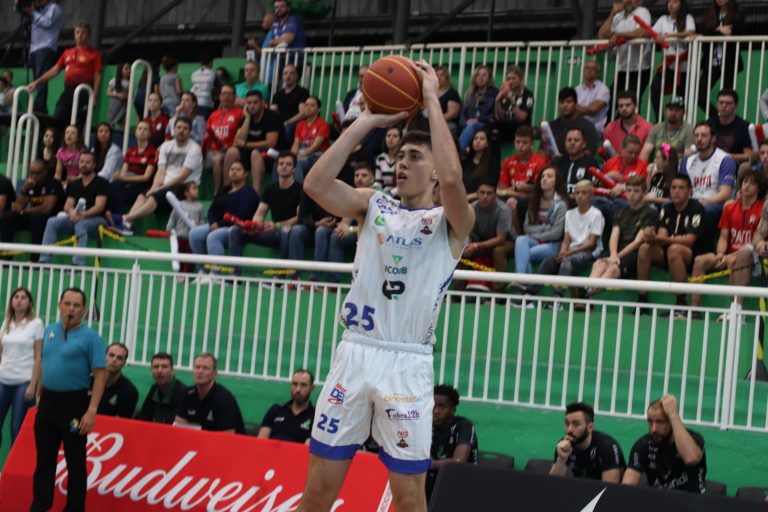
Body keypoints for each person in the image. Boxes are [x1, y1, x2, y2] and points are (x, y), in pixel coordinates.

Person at [296, 60, 474, 512]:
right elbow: (315, 184)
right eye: (399, 157)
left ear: (434, 172)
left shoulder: (450, 222)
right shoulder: (373, 205)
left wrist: (431, 98)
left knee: (410, 500)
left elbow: (454, 178)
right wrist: (367, 121)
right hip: (354, 353)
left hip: (406, 366)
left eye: (415, 157)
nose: (402, 163)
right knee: (315, 495)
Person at [31, 287, 106, 512]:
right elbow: (44, 362)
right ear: (59, 305)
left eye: (76, 305)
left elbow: (100, 375)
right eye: (67, 304)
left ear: (84, 309)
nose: (71, 309)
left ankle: (74, 508)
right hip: (47, 405)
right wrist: (39, 393)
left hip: (73, 408)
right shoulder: (50, 330)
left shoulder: (91, 338)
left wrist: (91, 410)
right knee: (44, 461)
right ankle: (40, 506)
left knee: (75, 462)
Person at [690, 169, 766, 313]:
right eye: (745, 182)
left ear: (759, 188)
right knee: (700, 261)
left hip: (751, 257)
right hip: (729, 254)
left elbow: (755, 243)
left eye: (752, 183)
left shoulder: (762, 209)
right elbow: (724, 237)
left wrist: (729, 257)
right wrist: (720, 254)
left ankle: (734, 310)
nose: (747, 186)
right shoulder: (730, 207)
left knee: (735, 260)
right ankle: (694, 310)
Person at [636, 174, 707, 316]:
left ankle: (681, 303)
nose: (676, 191)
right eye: (673, 187)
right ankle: (642, 302)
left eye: (681, 188)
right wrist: (651, 237)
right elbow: (662, 235)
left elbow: (690, 240)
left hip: (692, 256)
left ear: (690, 191)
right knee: (644, 249)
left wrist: (663, 239)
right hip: (669, 253)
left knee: (674, 250)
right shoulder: (666, 208)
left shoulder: (696, 208)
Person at [120, 117, 203, 233]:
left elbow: (182, 176)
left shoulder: (195, 149)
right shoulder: (166, 146)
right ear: (174, 129)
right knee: (142, 196)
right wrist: (154, 188)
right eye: (179, 127)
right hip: (165, 185)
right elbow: (160, 171)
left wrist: (159, 189)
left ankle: (126, 218)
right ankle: (127, 225)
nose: (181, 131)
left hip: (185, 187)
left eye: (185, 128)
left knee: (154, 197)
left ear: (190, 132)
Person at [523, 180, 604, 299]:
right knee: (549, 261)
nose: (579, 196)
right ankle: (529, 292)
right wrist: (562, 252)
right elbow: (566, 240)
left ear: (591, 195)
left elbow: (591, 243)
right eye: (577, 193)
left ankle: (558, 296)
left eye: (584, 193)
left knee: (567, 261)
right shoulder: (569, 214)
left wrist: (569, 253)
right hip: (571, 250)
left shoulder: (597, 214)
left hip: (590, 252)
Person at [228, 152, 301, 272]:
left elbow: (300, 217)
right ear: (276, 167)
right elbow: (260, 213)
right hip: (272, 231)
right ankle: (233, 276)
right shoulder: (270, 188)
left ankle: (279, 277)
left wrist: (278, 225)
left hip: (288, 231)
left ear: (294, 169)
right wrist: (255, 226)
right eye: (281, 164)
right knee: (235, 231)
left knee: (284, 232)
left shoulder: (300, 189)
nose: (284, 166)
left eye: (288, 164)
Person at [587, 175, 657, 296]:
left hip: (634, 253)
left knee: (613, 269)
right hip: (617, 250)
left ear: (644, 192)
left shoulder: (650, 213)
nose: (632, 194)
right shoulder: (621, 212)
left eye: (636, 191)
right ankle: (586, 290)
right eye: (629, 190)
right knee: (598, 264)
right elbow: (614, 236)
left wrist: (617, 257)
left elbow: (638, 241)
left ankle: (587, 293)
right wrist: (613, 254)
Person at [189, 161, 259, 281]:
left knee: (213, 237)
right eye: (232, 169)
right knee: (194, 234)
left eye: (238, 169)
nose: (234, 172)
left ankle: (216, 275)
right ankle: (203, 270)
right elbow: (212, 210)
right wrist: (212, 223)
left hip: (237, 228)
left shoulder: (249, 193)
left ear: (245, 174)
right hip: (217, 225)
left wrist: (219, 225)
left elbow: (243, 215)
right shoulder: (224, 190)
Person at [622, 394, 706, 492]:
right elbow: (626, 487)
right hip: (659, 500)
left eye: (660, 422)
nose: (653, 429)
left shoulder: (693, 438)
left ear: (671, 422)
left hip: (692, 499)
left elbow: (691, 458)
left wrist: (673, 414)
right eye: (650, 421)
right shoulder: (643, 445)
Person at [27, 21, 102, 131]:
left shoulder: (94, 54)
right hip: (68, 91)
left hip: (84, 92)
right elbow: (54, 70)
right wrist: (36, 82)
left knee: (78, 124)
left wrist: (94, 97)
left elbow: (98, 75)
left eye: (83, 32)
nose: (80, 35)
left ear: (88, 35)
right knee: (57, 119)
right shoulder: (67, 52)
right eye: (77, 32)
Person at [40, 151, 109, 266]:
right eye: (81, 162)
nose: (84, 164)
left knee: (81, 225)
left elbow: (99, 207)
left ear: (94, 165)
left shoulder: (102, 183)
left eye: (88, 162)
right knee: (52, 222)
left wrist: (81, 215)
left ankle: (78, 263)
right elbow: (67, 205)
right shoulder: (74, 184)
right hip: (76, 218)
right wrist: (72, 212)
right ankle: (44, 260)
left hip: (97, 221)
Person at [315, 163, 375, 283]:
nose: (359, 178)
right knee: (336, 235)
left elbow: (377, 228)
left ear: (373, 178)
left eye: (364, 175)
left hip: (376, 238)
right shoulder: (353, 194)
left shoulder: (379, 197)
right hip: (357, 234)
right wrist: (343, 227)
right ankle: (332, 283)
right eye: (357, 175)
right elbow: (345, 222)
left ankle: (360, 280)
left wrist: (351, 229)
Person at [0, 288, 42, 449]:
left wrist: (33, 385)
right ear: (11, 301)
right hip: (3, 380)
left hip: (23, 382)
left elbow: (38, 356)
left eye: (23, 297)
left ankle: (14, 464)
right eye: (16, 297)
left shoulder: (36, 324)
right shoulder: (6, 323)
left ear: (29, 303)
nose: (19, 300)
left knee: (16, 428)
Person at [0, 160, 64, 259]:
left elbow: (47, 208)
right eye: (31, 173)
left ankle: (34, 259)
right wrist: (24, 189)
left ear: (45, 172)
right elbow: (18, 205)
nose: (33, 176)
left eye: (37, 173)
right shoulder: (30, 184)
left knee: (36, 219)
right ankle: (6, 256)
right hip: (34, 216)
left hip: (52, 217)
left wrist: (23, 211)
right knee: (7, 217)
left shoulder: (52, 183)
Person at [225, 89, 285, 192]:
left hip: (275, 153)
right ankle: (228, 190)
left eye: (255, 102)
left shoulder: (272, 117)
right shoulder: (245, 118)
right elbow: (237, 142)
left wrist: (246, 144)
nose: (252, 106)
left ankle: (255, 192)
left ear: (262, 103)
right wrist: (247, 118)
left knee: (255, 153)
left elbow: (271, 143)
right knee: (232, 152)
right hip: (254, 151)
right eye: (249, 103)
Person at [680, 121, 736, 231]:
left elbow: (725, 194)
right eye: (696, 136)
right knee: (667, 206)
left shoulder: (725, 160)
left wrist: (701, 203)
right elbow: (682, 188)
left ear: (713, 138)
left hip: (713, 203)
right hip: (691, 201)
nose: (699, 139)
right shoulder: (687, 161)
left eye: (704, 135)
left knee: (705, 210)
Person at [549, 402, 625, 482]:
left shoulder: (607, 447)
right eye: (567, 424)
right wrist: (562, 459)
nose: (569, 429)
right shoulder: (564, 445)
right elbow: (552, 484)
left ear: (590, 427)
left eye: (576, 424)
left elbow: (609, 488)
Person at [513, 167, 568, 277]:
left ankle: (520, 280)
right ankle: (522, 281)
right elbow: (526, 228)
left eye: (549, 176)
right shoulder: (533, 201)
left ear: (556, 181)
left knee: (523, 254)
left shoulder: (561, 205)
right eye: (542, 176)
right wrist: (545, 227)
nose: (544, 179)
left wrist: (536, 233)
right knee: (521, 239)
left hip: (553, 244)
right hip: (536, 241)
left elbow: (556, 233)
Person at [427, 385, 478, 501]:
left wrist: (425, 464)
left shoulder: (464, 426)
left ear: (453, 409)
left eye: (442, 406)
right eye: (432, 406)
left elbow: (458, 462)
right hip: (431, 483)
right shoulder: (425, 424)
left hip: (462, 485)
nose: (436, 411)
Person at [461, 178, 514, 289]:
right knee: (462, 250)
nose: (485, 196)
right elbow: (467, 233)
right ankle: (458, 290)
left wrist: (476, 245)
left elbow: (501, 239)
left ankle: (497, 291)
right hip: (482, 241)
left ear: (495, 195)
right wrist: (468, 245)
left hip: (508, 242)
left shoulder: (503, 210)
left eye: (489, 193)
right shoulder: (472, 208)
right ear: (477, 194)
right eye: (482, 193)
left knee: (498, 251)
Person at [597, 0, 652, 104]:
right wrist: (612, 13)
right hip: (622, 68)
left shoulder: (642, 11)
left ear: (639, 1)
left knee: (631, 103)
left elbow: (642, 31)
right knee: (610, 103)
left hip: (639, 69)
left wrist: (620, 35)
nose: (628, 0)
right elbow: (602, 35)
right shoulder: (618, 16)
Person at [648, 0, 696, 120]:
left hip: (684, 66)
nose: (671, 4)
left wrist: (669, 36)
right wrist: (655, 37)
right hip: (668, 64)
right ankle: (660, 120)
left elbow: (690, 32)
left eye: (675, 1)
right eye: (669, 1)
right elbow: (652, 33)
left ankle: (682, 122)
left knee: (682, 97)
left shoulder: (687, 18)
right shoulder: (663, 19)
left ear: (681, 4)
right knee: (655, 88)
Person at [174, 352, 245, 433]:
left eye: (205, 368)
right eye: (197, 367)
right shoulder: (187, 394)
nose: (200, 371)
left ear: (214, 374)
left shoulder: (224, 399)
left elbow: (228, 436)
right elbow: (178, 428)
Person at [498, 125, 549, 236]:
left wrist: (520, 189)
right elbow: (501, 190)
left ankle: (520, 236)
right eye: (518, 142)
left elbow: (540, 190)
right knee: (500, 200)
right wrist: (518, 190)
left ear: (532, 144)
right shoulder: (507, 162)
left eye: (525, 143)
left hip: (533, 198)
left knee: (512, 202)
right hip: (513, 196)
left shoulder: (540, 162)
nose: (520, 146)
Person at [697, 0, 745, 117]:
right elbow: (702, 32)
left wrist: (712, 32)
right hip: (711, 63)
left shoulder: (737, 13)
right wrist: (719, 30)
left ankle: (726, 120)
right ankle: (718, 118)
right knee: (699, 95)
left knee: (727, 98)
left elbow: (732, 32)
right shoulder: (710, 14)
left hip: (729, 63)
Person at [108, 120, 158, 220]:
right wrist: (121, 176)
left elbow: (146, 177)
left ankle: (119, 218)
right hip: (128, 182)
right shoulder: (130, 151)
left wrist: (124, 178)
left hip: (142, 185)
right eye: (139, 129)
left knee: (117, 189)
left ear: (149, 134)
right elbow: (124, 172)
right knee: (112, 186)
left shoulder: (152, 151)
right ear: (135, 132)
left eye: (145, 129)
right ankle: (114, 218)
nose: (142, 131)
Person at [19, 0, 62, 114]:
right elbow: (20, 10)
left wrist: (33, 12)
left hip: (45, 46)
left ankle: (39, 107)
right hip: (34, 48)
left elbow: (47, 22)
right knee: (36, 79)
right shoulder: (37, 9)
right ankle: (40, 107)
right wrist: (18, 4)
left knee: (41, 77)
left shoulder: (54, 7)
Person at [202, 84, 245, 193]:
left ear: (235, 97)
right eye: (224, 94)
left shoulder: (240, 113)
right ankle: (218, 191)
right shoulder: (213, 115)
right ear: (220, 97)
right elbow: (207, 135)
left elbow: (242, 135)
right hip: (212, 151)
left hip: (230, 150)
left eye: (230, 94)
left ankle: (221, 191)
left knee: (218, 159)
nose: (226, 97)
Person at [258, 369, 315, 443]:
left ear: (312, 388)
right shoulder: (275, 410)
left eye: (303, 385)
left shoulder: (315, 417)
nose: (298, 389)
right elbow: (260, 442)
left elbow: (308, 448)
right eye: (294, 384)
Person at [545, 87, 599, 157]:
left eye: (569, 101)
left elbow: (590, 153)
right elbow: (542, 151)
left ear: (576, 104)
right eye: (561, 102)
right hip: (553, 162)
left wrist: (565, 159)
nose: (565, 105)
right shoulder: (551, 126)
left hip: (577, 162)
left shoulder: (588, 126)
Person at [135, 352, 187, 424]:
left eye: (164, 367)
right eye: (156, 367)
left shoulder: (183, 393)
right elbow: (143, 416)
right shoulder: (154, 388)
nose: (159, 371)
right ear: (151, 371)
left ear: (173, 371)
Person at [639, 96, 694, 162]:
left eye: (677, 110)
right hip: (657, 164)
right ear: (666, 111)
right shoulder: (657, 128)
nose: (673, 113)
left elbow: (687, 158)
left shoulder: (689, 130)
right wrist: (641, 167)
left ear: (683, 112)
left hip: (678, 166)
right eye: (670, 109)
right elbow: (646, 151)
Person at [490, 65, 534, 145]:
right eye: (508, 79)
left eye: (513, 78)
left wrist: (511, 100)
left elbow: (521, 118)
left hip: (521, 127)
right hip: (506, 126)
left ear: (520, 79)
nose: (510, 81)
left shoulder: (527, 94)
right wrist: (497, 100)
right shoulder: (505, 94)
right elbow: (499, 116)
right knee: (490, 126)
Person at [458, 65, 498, 151]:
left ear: (489, 78)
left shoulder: (494, 94)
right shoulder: (469, 94)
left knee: (471, 126)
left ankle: (457, 152)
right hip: (468, 125)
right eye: (478, 75)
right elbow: (462, 114)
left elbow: (494, 115)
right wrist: (466, 122)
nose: (480, 78)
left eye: (484, 75)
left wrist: (478, 120)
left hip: (485, 124)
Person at [707, 88, 752, 164]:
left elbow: (748, 155)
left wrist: (725, 156)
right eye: (721, 102)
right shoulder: (709, 124)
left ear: (736, 105)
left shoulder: (744, 127)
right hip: (710, 162)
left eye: (728, 103)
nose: (724, 105)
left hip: (733, 163)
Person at [291, 95, 330, 181]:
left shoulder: (323, 124)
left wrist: (301, 156)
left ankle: (298, 188)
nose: (308, 107)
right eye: (306, 105)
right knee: (280, 163)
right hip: (302, 152)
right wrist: (291, 157)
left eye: (312, 105)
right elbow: (296, 143)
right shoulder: (300, 124)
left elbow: (315, 146)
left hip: (317, 154)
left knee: (298, 163)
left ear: (318, 109)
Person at [270, 63, 310, 142]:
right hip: (280, 122)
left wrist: (287, 122)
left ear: (296, 76)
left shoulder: (302, 92)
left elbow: (302, 113)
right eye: (285, 73)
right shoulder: (278, 94)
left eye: (291, 73)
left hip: (295, 123)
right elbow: (272, 111)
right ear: (282, 76)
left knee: (287, 128)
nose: (288, 76)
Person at [97, 343, 139, 418]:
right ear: (104, 357)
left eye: (119, 358)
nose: (114, 360)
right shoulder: (88, 381)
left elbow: (119, 422)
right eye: (111, 355)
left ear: (124, 363)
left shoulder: (129, 391)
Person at [556, 127, 599, 197]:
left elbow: (593, 188)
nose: (572, 143)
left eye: (576, 140)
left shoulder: (591, 163)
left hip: (580, 200)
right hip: (558, 199)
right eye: (569, 140)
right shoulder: (558, 162)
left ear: (584, 144)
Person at [267, 0, 307, 73]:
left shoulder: (293, 19)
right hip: (280, 62)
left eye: (282, 7)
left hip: (295, 62)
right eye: (276, 7)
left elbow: (287, 40)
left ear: (288, 8)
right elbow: (270, 45)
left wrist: (273, 42)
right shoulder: (275, 23)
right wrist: (275, 42)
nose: (278, 9)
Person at [461, 128, 499, 201]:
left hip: (481, 200)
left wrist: (467, 197)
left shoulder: (492, 164)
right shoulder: (465, 162)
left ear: (487, 143)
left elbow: (489, 187)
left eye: (482, 139)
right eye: (475, 138)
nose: (478, 141)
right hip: (463, 198)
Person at [575, 60, 610, 137]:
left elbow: (593, 110)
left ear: (598, 73)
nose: (589, 70)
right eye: (587, 68)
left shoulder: (603, 89)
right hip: (578, 128)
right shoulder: (577, 89)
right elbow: (572, 109)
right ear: (583, 71)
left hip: (595, 130)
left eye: (593, 68)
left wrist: (578, 108)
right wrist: (586, 109)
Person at [375, 126, 402, 195]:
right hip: (384, 194)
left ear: (400, 140)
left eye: (395, 136)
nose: (391, 138)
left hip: (399, 194)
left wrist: (390, 193)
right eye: (388, 136)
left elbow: (405, 183)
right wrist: (376, 190)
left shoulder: (403, 158)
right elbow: (378, 182)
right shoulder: (381, 158)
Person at [106, 62, 131, 130]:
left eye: (129, 68)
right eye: (126, 68)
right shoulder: (114, 80)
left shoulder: (130, 82)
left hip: (124, 104)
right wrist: (118, 94)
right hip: (115, 104)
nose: (128, 70)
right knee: (111, 121)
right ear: (121, 69)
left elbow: (130, 95)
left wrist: (126, 96)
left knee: (123, 122)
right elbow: (108, 92)